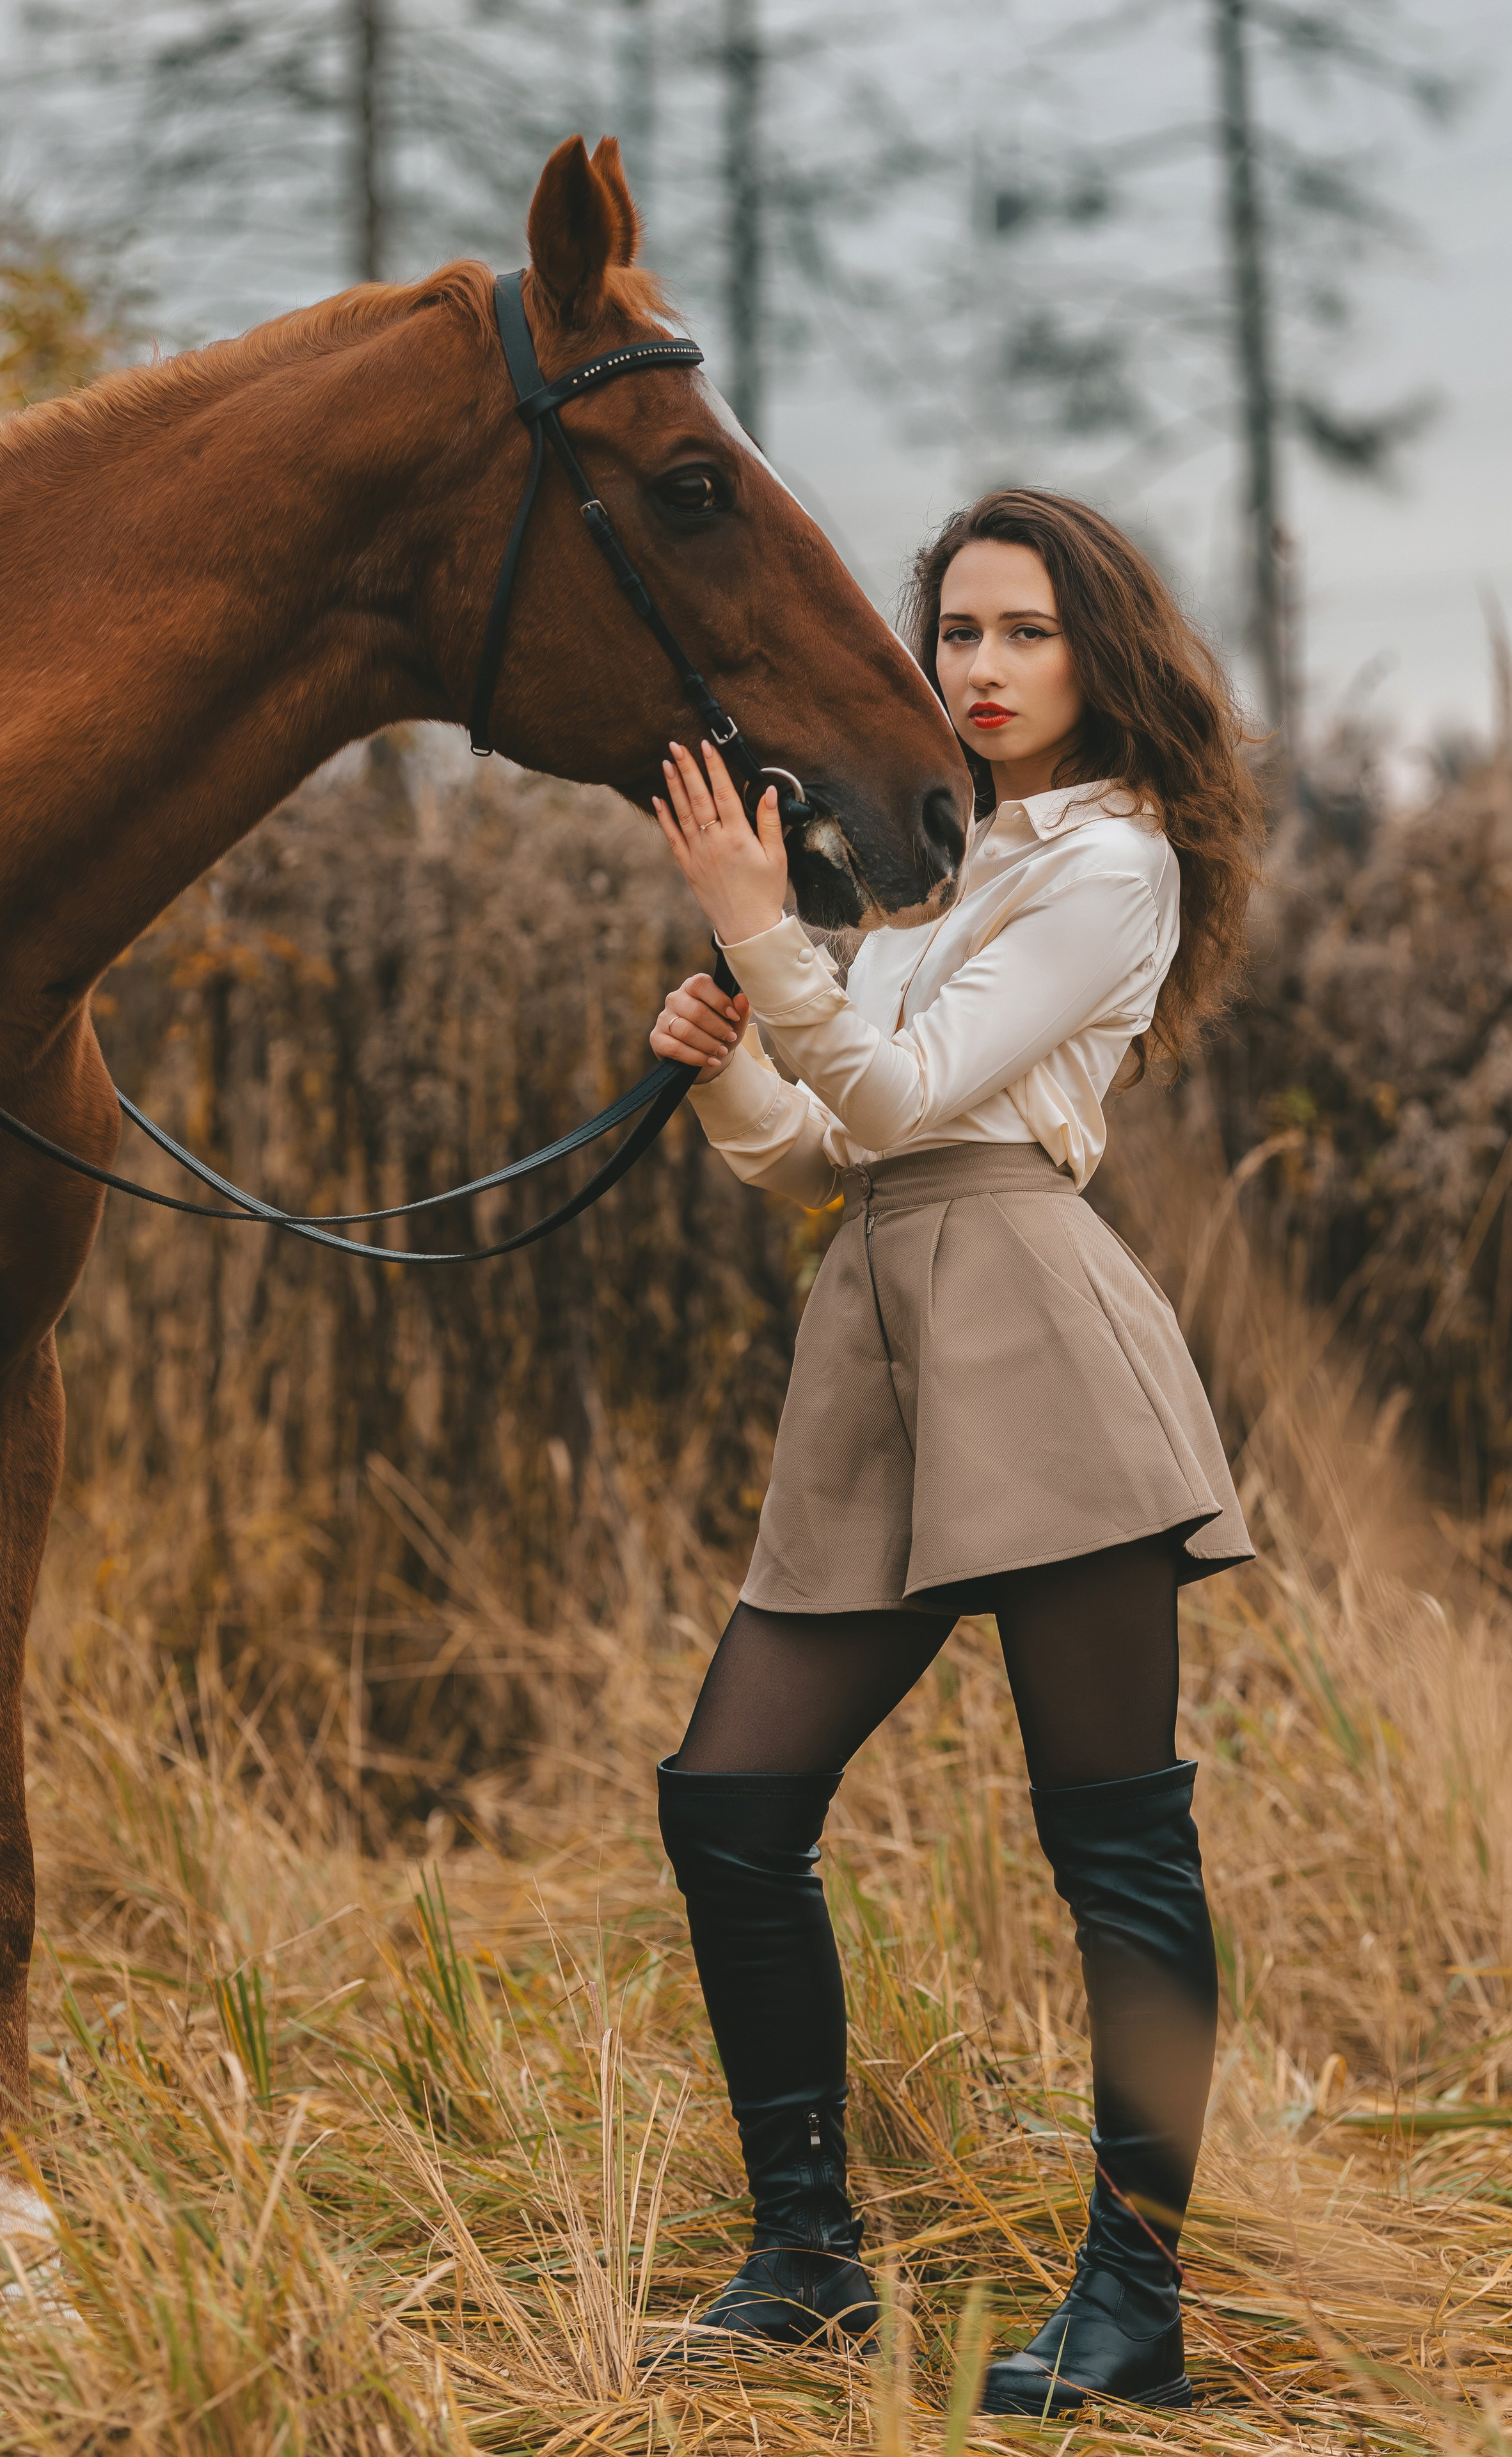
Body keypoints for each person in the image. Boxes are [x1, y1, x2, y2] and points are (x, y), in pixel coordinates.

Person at [644, 488, 1265, 2412]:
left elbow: (912, 1095)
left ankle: (1134, 2307)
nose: (983, 669)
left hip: (1035, 1331)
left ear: (1101, 653)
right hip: (881, 1334)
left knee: (1116, 1843)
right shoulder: (943, 874)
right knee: (729, 1802)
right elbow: (826, 1148)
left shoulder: (1114, 866)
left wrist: (767, 929)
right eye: (960, 634)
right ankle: (807, 2260)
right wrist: (731, 1054)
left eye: (1026, 633)